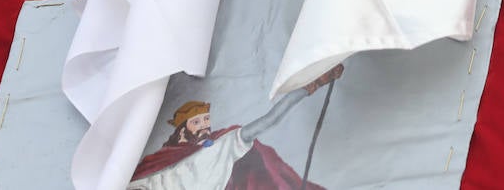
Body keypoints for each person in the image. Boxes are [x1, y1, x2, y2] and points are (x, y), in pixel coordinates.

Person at [127, 64, 344, 189]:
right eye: (196, 122)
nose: (204, 126)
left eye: (205, 120)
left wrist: (309, 87)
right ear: (183, 128)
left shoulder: (222, 145)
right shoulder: (158, 163)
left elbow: (268, 120)